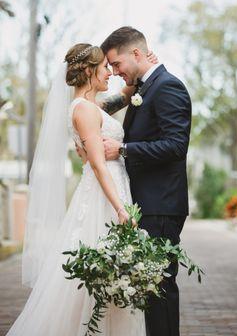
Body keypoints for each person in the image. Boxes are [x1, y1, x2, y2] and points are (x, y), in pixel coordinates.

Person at [6, 43, 156, 336]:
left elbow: (122, 97)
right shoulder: (85, 110)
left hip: (111, 189)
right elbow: (99, 166)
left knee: (110, 274)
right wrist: (120, 208)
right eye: (104, 68)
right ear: (89, 71)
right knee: (98, 276)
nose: (110, 74)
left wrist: (143, 69)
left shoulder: (88, 106)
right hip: (104, 196)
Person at [99, 26, 192, 336]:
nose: (114, 72)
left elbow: (176, 145)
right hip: (147, 204)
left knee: (160, 288)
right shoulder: (144, 87)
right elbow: (98, 108)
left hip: (160, 205)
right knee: (151, 290)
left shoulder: (167, 87)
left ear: (136, 54)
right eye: (109, 67)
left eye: (116, 64)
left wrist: (123, 149)